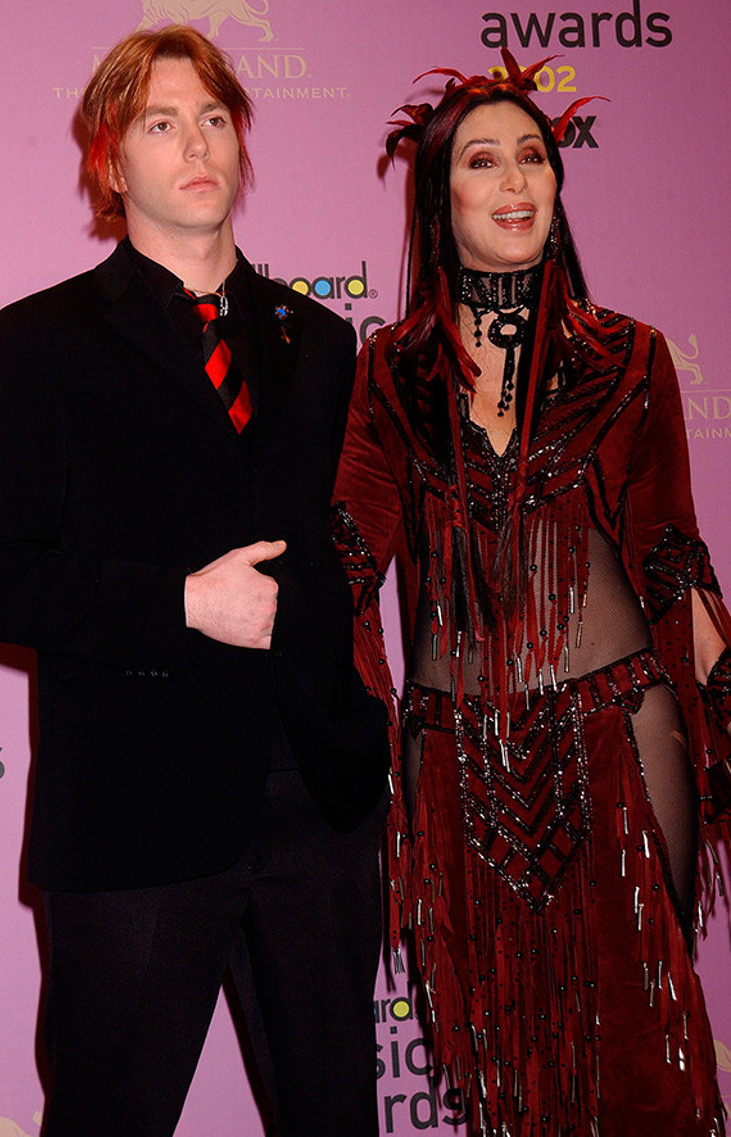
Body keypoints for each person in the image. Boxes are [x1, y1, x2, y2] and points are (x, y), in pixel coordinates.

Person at [0, 26, 389, 1137]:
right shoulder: (34, 343)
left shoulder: (322, 341)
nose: (196, 143)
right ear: (110, 161)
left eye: (212, 118)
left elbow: (350, 552)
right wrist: (182, 604)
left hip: (318, 810)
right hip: (133, 817)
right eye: (160, 122)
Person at [332, 49, 731, 1135]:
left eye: (532, 157)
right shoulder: (389, 373)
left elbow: (668, 556)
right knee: (512, 1087)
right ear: (439, 196)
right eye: (481, 160)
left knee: (644, 1075)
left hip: (620, 741)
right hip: (454, 765)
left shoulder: (630, 356)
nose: (514, 181)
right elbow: (349, 559)